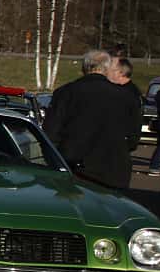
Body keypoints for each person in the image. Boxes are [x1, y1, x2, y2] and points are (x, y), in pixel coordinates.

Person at [43, 48, 141, 189]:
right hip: (114, 169)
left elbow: (51, 133)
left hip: (74, 168)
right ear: (107, 69)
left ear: (84, 67)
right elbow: (133, 138)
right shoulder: (127, 96)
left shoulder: (65, 93)